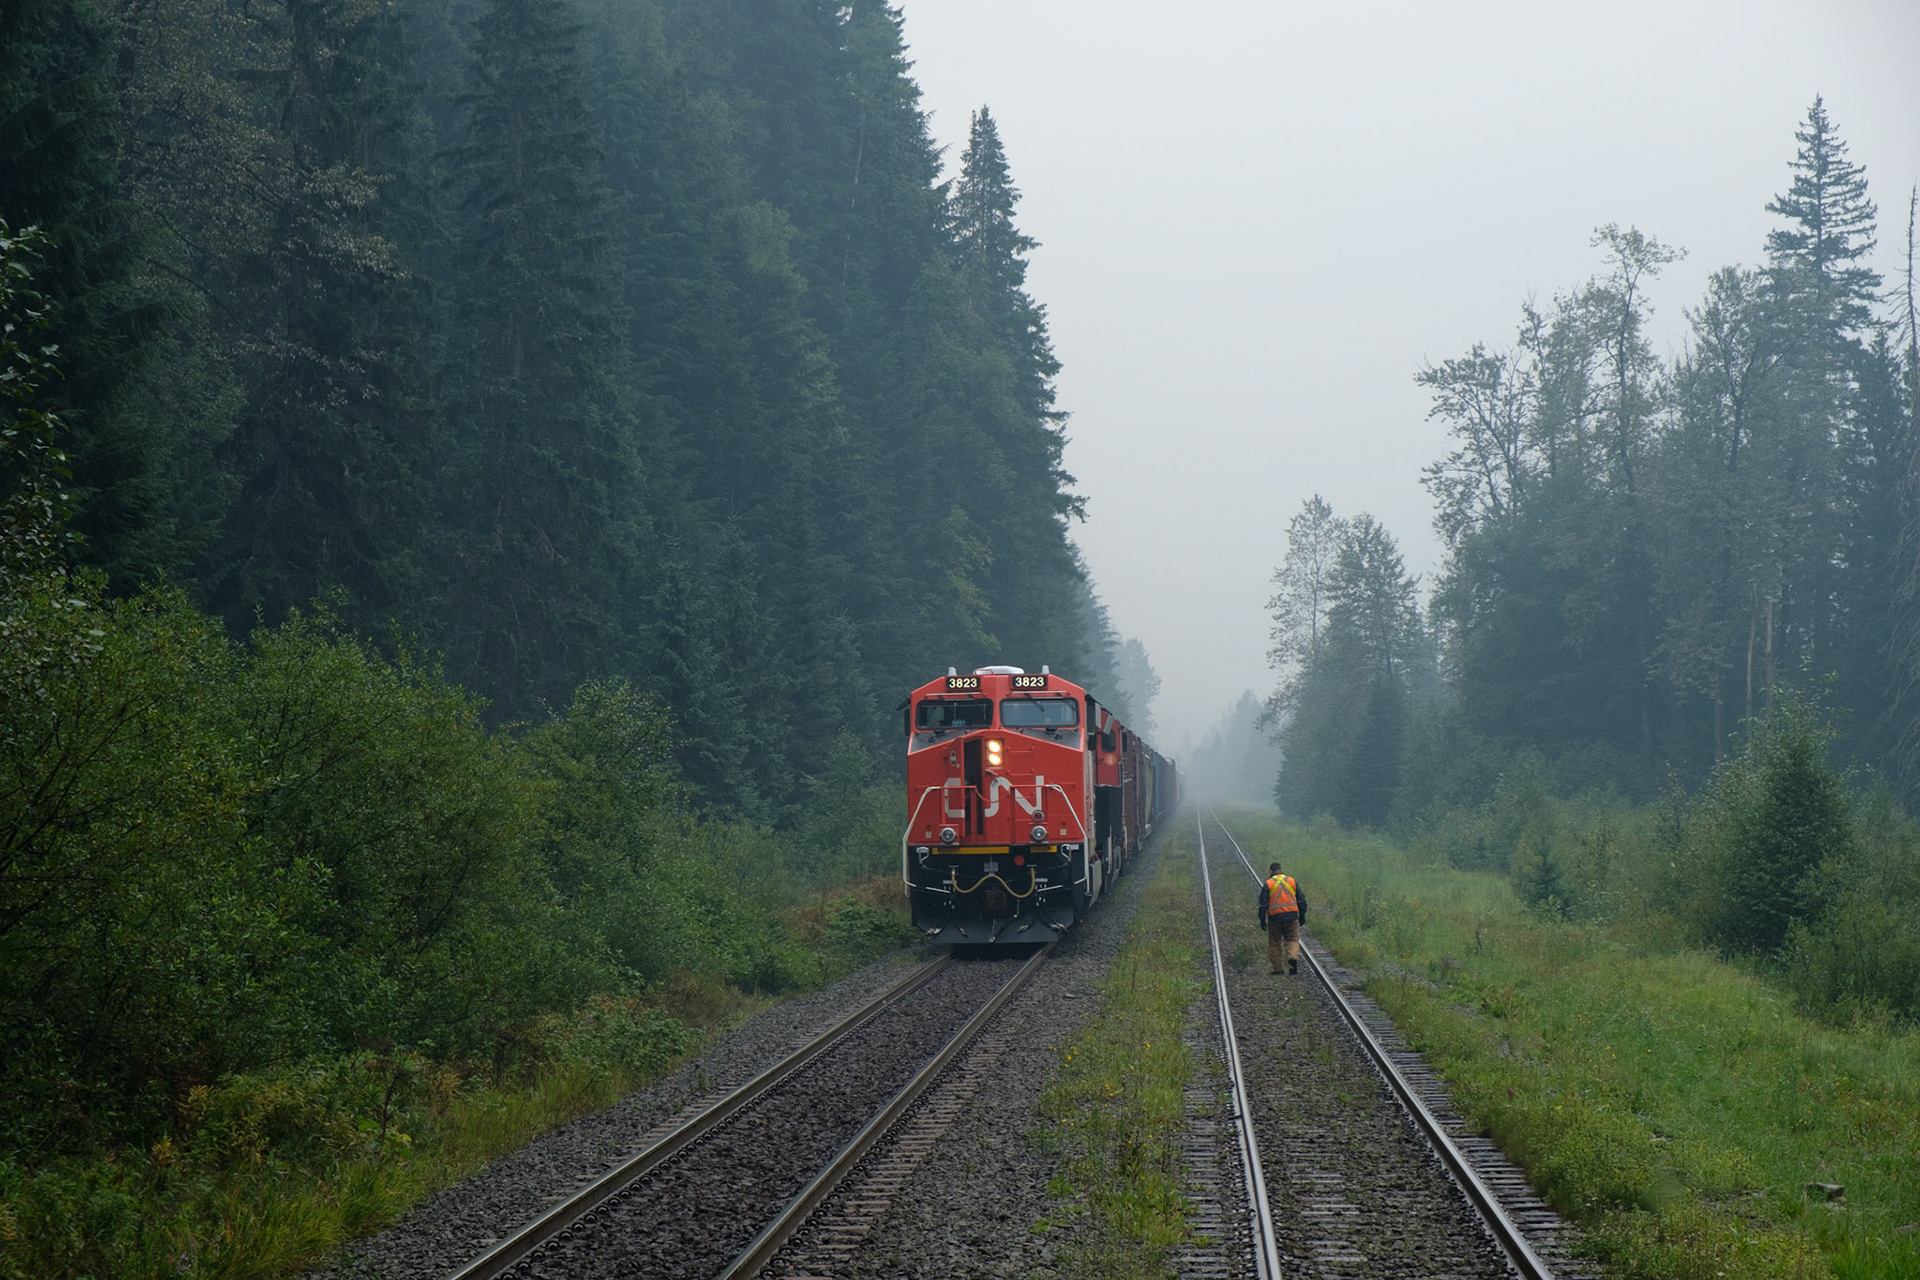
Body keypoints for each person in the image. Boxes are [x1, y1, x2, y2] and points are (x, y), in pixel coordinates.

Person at [1258, 861, 1306, 975]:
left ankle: (1278, 969)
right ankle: (1293, 957)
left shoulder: (1268, 884)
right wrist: (1302, 916)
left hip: (1275, 918)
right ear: (1281, 870)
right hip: (1292, 917)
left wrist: (1262, 919)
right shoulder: (1291, 881)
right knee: (1292, 939)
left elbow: (1263, 905)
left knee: (1274, 942)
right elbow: (1302, 901)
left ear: (1271, 871)